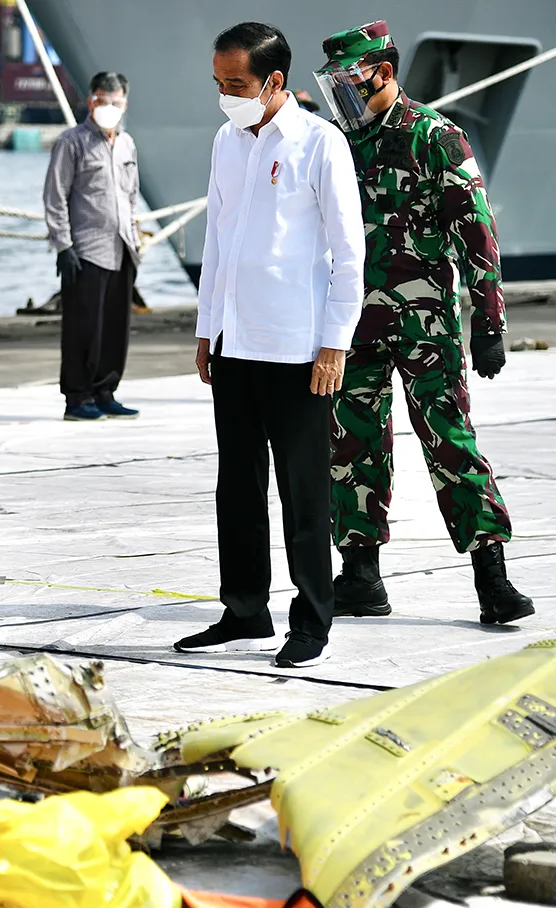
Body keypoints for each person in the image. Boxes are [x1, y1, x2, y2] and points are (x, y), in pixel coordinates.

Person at [315, 22, 533, 625]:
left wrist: (488, 321)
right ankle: (359, 574)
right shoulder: (335, 142)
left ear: (382, 73)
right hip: (352, 323)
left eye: (349, 83)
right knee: (350, 443)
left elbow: (476, 230)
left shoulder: (434, 136)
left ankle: (492, 577)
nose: (342, 96)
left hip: (425, 324)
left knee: (450, 443)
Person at [174, 22, 365, 668]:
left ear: (274, 81)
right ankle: (244, 611)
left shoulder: (320, 143)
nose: (225, 95)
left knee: (304, 492)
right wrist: (207, 328)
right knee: (237, 487)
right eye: (218, 83)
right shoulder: (226, 142)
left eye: (236, 84)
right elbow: (218, 241)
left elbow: (349, 254)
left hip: (297, 350)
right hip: (235, 344)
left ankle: (312, 620)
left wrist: (335, 344)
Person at [43, 71, 141, 422]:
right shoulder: (72, 142)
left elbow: (131, 195)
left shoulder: (127, 143)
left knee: (115, 327)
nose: (109, 107)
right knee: (83, 328)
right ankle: (78, 397)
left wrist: (135, 239)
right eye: (102, 100)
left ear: (124, 104)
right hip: (85, 250)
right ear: (90, 101)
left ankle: (105, 391)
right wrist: (63, 246)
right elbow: (55, 196)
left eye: (116, 101)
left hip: (121, 247)